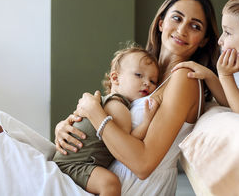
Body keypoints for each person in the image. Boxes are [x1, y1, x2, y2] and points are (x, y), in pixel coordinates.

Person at [0, 0, 220, 196]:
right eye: (177, 18)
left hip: (120, 187)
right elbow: (105, 118)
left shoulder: (185, 78)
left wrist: (95, 114)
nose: (182, 29)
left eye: (195, 26)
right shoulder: (144, 72)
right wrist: (64, 127)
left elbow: (143, 164)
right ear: (161, 22)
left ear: (204, 40)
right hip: (89, 170)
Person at [53, 44, 160, 195]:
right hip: (73, 165)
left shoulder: (105, 103)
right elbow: (126, 143)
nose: (147, 83)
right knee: (110, 184)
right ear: (115, 78)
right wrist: (147, 123)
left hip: (73, 161)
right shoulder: (117, 106)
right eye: (138, 75)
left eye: (153, 81)